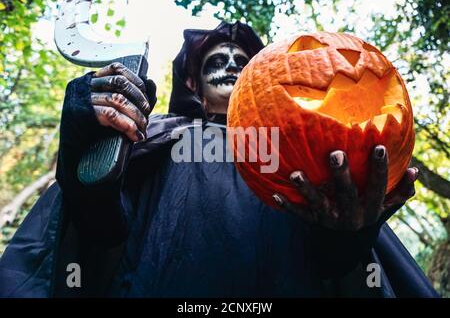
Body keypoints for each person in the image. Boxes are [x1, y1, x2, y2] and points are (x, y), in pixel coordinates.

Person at [0, 22, 438, 298]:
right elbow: (98, 243)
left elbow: (337, 274)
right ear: (192, 80)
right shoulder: (152, 139)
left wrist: (347, 243)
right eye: (218, 60)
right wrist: (89, 163)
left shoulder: (312, 150)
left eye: (243, 63)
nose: (231, 65)